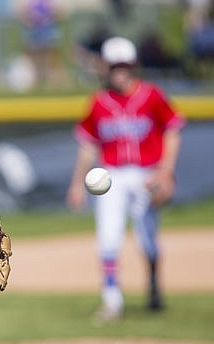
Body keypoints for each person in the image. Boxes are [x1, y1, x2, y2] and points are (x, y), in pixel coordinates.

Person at [66, 36, 185, 323]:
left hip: (147, 174)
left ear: (134, 66)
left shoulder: (152, 95)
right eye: (115, 66)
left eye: (125, 65)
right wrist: (76, 184)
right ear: (106, 67)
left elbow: (172, 129)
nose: (121, 71)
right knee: (108, 238)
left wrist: (166, 171)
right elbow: (87, 146)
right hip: (111, 176)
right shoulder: (98, 102)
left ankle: (154, 284)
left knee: (148, 240)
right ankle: (112, 299)